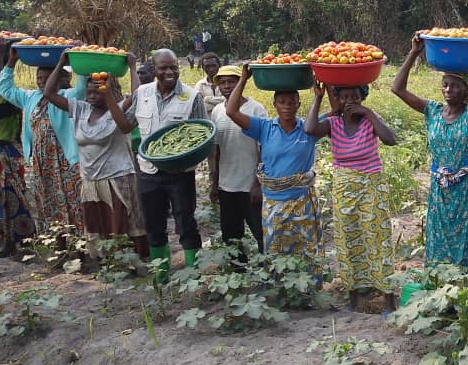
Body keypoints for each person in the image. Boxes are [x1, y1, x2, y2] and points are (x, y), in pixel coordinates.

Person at [391, 34, 468, 268]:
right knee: (440, 234)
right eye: (445, 84)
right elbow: (398, 88)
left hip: (467, 188)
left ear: (466, 90)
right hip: (440, 189)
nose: (448, 89)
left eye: (455, 86)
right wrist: (414, 52)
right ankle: (441, 282)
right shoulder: (433, 111)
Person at [45, 52, 147, 262]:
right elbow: (49, 93)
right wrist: (61, 62)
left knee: (122, 222)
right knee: (98, 222)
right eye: (89, 91)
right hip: (90, 178)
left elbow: (138, 97)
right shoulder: (80, 109)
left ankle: (128, 261)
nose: (91, 95)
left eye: (97, 92)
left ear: (109, 91)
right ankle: (104, 261)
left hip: (117, 176)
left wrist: (132, 67)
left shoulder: (118, 110)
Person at [305, 82, 398, 312]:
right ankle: (354, 298)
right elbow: (309, 130)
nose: (349, 102)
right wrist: (318, 99)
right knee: (348, 240)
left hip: (371, 187)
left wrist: (368, 113)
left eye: (354, 97)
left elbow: (390, 139)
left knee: (378, 239)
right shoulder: (333, 122)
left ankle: (388, 299)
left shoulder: (369, 119)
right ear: (337, 99)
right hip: (345, 190)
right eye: (344, 97)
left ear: (362, 98)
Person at [228, 64, 324, 262]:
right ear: (274, 104)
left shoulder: (309, 128)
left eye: (291, 102)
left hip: (302, 201)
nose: (287, 106)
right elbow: (231, 111)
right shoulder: (264, 127)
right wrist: (244, 79)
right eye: (282, 102)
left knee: (306, 251)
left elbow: (337, 111)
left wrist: (320, 95)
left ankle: (308, 291)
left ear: (298, 104)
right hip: (273, 202)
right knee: (276, 251)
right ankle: (280, 290)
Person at [126, 49, 206, 276]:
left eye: (174, 67)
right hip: (148, 171)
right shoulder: (142, 93)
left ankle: (194, 275)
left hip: (180, 172)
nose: (169, 72)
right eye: (163, 67)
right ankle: (161, 275)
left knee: (186, 223)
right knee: (153, 224)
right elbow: (128, 122)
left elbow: (203, 135)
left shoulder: (192, 97)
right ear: (154, 70)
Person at [0, 39, 87, 241]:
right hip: (41, 163)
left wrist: (76, 56)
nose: (41, 81)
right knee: (46, 203)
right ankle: (57, 245)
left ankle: (79, 247)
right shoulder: (30, 97)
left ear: (61, 79)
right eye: (39, 77)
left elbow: (82, 87)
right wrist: (11, 62)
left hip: (67, 161)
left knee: (74, 203)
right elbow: (5, 89)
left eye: (46, 78)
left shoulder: (68, 95)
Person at [209, 65, 267, 260]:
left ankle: (267, 271)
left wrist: (257, 184)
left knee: (261, 233)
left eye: (231, 81)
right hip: (227, 185)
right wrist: (215, 183)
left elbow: (263, 149)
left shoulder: (255, 108)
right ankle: (238, 272)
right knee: (231, 236)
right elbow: (217, 151)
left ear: (240, 82)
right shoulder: (217, 111)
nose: (227, 86)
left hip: (250, 185)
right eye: (222, 82)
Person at [0, 38, 35, 258]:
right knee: (0, 201)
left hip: (8, 150)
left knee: (15, 198)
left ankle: (23, 243)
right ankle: (6, 241)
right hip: (1, 150)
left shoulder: (8, 96)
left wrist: (0, 56)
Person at [130, 62, 155, 153]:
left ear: (153, 74)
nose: (140, 76)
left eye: (143, 73)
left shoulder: (156, 94)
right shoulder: (136, 93)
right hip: (135, 145)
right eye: (138, 73)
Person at [194, 52, 225, 118]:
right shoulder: (200, 85)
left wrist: (206, 98)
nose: (211, 69)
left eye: (214, 65)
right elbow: (199, 106)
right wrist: (220, 103)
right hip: (207, 122)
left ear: (219, 65)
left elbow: (229, 100)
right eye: (207, 66)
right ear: (203, 68)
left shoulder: (226, 82)